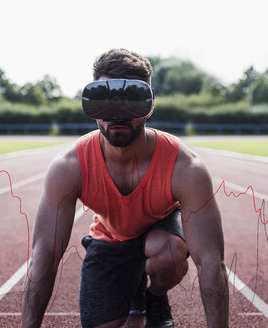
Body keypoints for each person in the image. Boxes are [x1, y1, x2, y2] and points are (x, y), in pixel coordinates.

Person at [21, 49, 228, 328]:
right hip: (110, 237)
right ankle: (132, 290)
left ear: (149, 106)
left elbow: (211, 263)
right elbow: (44, 254)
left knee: (165, 253)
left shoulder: (186, 168)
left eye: (130, 103)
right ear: (93, 108)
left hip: (161, 227)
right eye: (105, 104)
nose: (117, 116)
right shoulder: (69, 166)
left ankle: (153, 295)